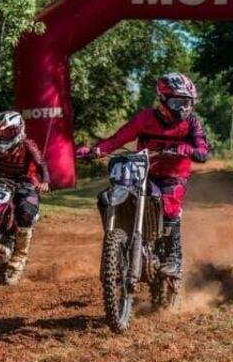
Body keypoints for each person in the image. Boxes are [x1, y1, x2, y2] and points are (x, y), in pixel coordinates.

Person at [83, 73, 210, 278]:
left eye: (187, 103)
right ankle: (122, 240)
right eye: (178, 102)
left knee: (170, 207)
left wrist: (184, 149)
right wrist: (96, 151)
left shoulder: (192, 124)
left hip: (173, 176)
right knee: (118, 194)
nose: (183, 108)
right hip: (143, 172)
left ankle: (173, 258)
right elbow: (118, 138)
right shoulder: (145, 118)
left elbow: (203, 152)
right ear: (162, 99)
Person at [0, 111, 50, 281]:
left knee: (25, 212)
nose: (3, 135)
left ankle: (20, 256)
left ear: (18, 130)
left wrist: (45, 181)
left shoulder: (28, 144)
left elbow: (41, 163)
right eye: (0, 132)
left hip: (25, 183)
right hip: (1, 182)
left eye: (7, 131)